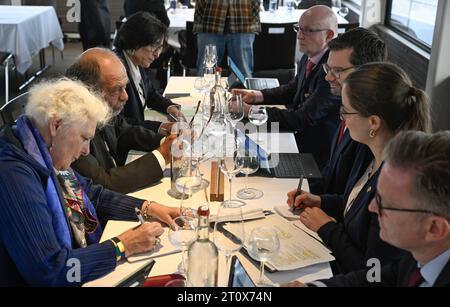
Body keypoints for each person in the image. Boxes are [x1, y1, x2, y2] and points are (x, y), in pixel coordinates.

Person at [0, 79, 179, 286]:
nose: (86, 150)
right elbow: (50, 272)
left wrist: (148, 207)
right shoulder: (15, 175)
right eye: (84, 138)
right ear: (55, 124)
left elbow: (92, 194)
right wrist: (122, 246)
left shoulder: (37, 145)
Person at [287, 63, 431, 273]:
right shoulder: (369, 154)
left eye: (345, 110)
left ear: (373, 122)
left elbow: (374, 273)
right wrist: (320, 201)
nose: (342, 118)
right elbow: (355, 206)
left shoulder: (397, 188)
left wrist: (327, 228)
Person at [286, 131, 450, 287]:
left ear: (434, 228)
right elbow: (379, 279)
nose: (371, 207)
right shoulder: (420, 256)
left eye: (385, 203)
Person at [234, 5, 341, 169]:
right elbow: (293, 89)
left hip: (313, 155)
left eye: (308, 31)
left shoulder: (332, 71)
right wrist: (256, 95)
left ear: (329, 35)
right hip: (295, 137)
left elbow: (301, 119)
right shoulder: (311, 56)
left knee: (245, 162)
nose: (299, 35)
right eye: (298, 28)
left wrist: (251, 111)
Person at [67, 48, 176, 194]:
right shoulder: (71, 126)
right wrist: (161, 156)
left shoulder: (101, 106)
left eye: (125, 87)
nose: (125, 96)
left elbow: (125, 131)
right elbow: (104, 184)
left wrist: (166, 142)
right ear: (88, 90)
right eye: (116, 90)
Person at [309, 27, 387, 195]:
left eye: (337, 71)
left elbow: (353, 202)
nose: (328, 77)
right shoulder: (348, 107)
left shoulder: (368, 127)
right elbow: (331, 174)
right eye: (327, 69)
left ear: (365, 72)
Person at [114, 12, 185, 133]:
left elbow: (150, 93)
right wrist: (159, 127)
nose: (157, 54)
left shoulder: (137, 61)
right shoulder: (116, 71)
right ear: (135, 42)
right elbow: (120, 123)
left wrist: (169, 107)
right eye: (154, 47)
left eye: (160, 47)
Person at [194, 0, 261, 77]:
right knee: (206, 74)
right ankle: (205, 88)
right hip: (209, 19)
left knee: (243, 76)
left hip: (243, 20)